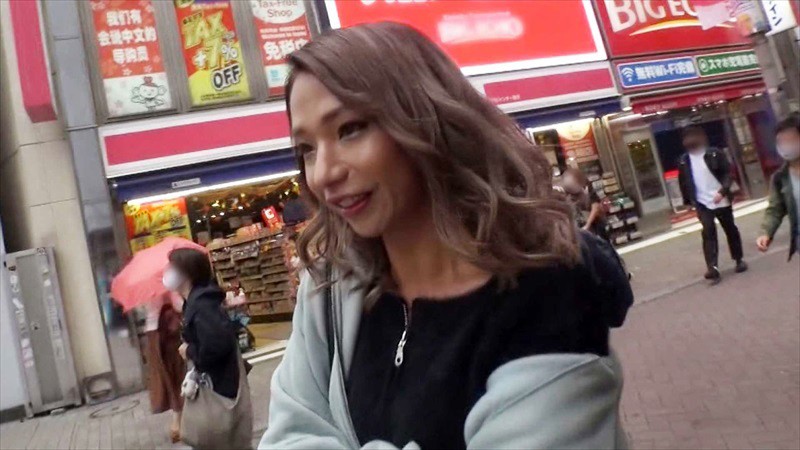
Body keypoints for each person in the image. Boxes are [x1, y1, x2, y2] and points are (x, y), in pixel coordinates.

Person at [260, 22, 631, 449]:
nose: (324, 173)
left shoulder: (546, 292)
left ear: (423, 119)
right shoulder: (330, 286)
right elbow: (287, 435)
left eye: (350, 129)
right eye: (306, 149)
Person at [163, 248, 253, 449]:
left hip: (219, 387)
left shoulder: (202, 304)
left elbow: (216, 345)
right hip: (216, 382)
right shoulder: (194, 302)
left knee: (225, 441)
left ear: (186, 273)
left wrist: (189, 351)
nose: (166, 272)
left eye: (171, 268)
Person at [677, 125, 747, 283]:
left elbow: (728, 173)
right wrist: (688, 202)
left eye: (693, 137)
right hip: (702, 202)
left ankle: (738, 259)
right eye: (687, 138)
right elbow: (684, 182)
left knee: (730, 228)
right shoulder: (684, 161)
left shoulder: (714, 153)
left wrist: (723, 191)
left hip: (721, 198)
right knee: (708, 231)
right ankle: (712, 267)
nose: (690, 141)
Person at [143, 292, 185, 443]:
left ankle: (178, 421)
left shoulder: (146, 290)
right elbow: (180, 305)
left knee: (166, 378)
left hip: (153, 335)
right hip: (168, 335)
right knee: (178, 377)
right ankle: (177, 424)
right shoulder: (164, 286)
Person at [757, 115, 800, 260]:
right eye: (781, 142)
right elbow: (775, 209)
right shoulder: (780, 178)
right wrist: (766, 232)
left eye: (790, 140)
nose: (786, 146)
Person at [562, 168, 610, 241]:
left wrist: (587, 225)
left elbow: (595, 206)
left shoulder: (587, 186)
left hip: (594, 223)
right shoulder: (565, 192)